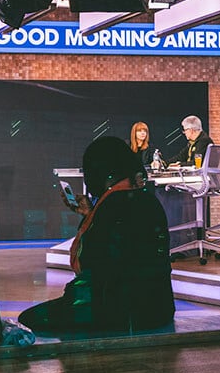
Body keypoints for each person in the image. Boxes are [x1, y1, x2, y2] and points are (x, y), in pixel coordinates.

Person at [19, 136, 175, 334]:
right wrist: (91, 214)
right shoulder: (148, 199)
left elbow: (88, 264)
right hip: (158, 310)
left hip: (119, 312)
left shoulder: (111, 206)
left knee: (28, 319)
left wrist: (91, 219)